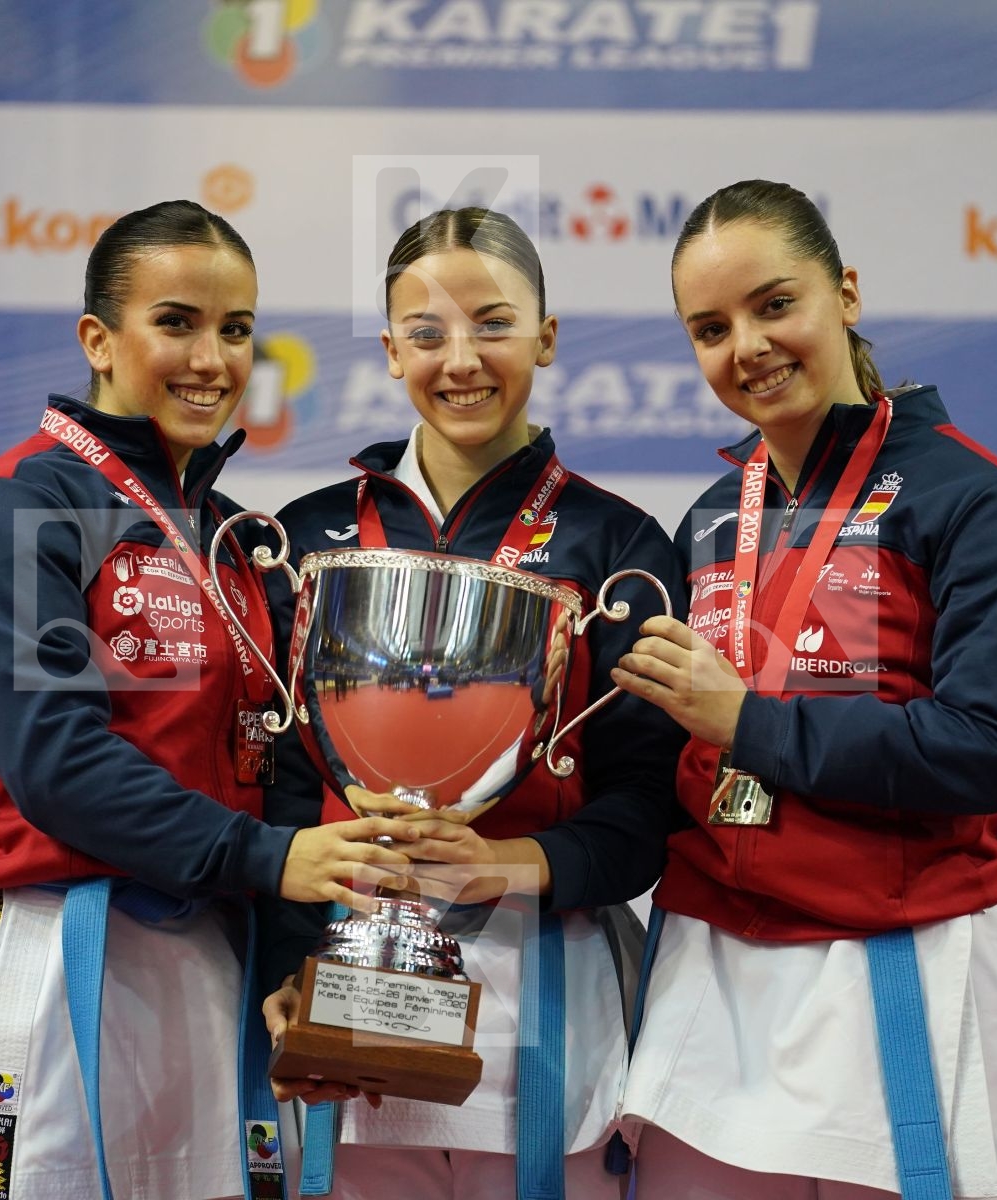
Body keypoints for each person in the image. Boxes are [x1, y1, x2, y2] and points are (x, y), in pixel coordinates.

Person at [0, 200, 423, 1200]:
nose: (210, 358)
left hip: (205, 966)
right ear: (97, 338)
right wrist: (270, 859)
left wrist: (296, 951)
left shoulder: (235, 540)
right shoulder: (21, 507)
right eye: (175, 322)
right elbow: (55, 764)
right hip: (37, 955)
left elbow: (275, 764)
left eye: (234, 328)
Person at [609, 179, 997, 1200]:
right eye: (709, 327)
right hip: (717, 980)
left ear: (845, 294)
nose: (747, 346)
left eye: (774, 305)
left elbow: (977, 752)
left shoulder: (977, 503)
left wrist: (746, 721)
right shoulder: (704, 519)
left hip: (907, 965)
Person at [259, 207, 688, 1200]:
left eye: (493, 324)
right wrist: (284, 967)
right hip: (342, 1003)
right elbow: (276, 786)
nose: (460, 360)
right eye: (426, 332)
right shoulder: (308, 535)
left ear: (545, 336)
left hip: (542, 1009)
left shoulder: (618, 546)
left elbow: (648, 805)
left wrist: (508, 864)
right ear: (386, 349)